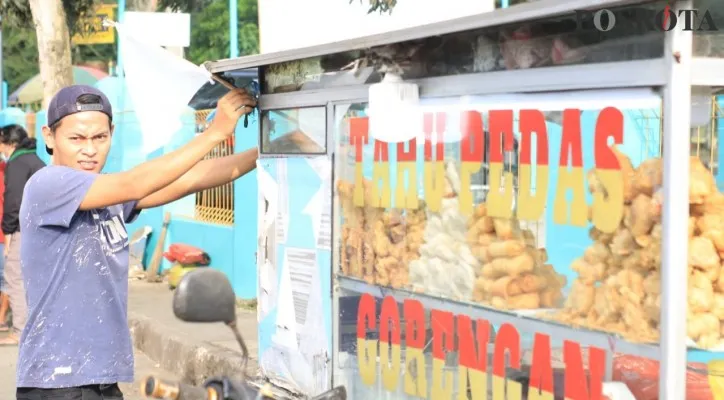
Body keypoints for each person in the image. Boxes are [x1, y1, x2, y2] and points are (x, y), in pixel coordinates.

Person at [14, 84, 264, 399]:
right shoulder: (47, 184)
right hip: (57, 382)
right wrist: (213, 134)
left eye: (99, 138)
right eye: (76, 138)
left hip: (101, 379)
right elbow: (134, 182)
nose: (89, 149)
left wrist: (264, 153)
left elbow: (189, 179)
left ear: (112, 134)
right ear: (50, 138)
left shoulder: (106, 193)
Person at [0, 125, 44, 346]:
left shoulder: (17, 163)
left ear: (9, 143)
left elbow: (13, 200)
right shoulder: (35, 161)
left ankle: (21, 330)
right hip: (42, 228)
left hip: (23, 228)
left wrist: (7, 230)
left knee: (14, 276)